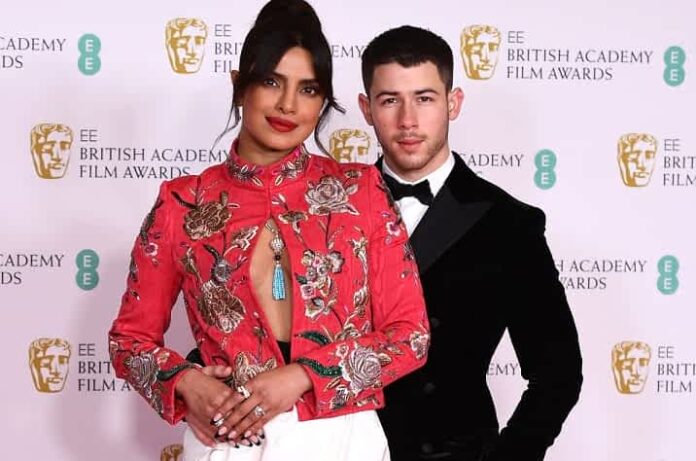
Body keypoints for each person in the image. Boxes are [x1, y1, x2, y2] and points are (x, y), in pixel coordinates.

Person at [108, 2, 429, 461]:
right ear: (240, 85)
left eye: (308, 89)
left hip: (342, 437)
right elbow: (129, 340)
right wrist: (185, 383)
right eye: (271, 82)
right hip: (228, 440)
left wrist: (302, 376)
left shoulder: (360, 191)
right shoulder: (182, 203)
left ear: (322, 102)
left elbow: (409, 336)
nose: (288, 105)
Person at [356, 26, 583, 461]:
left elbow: (558, 373)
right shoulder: (330, 210)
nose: (408, 120)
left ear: (453, 103)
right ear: (367, 108)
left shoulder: (509, 224)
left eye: (425, 98)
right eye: (390, 100)